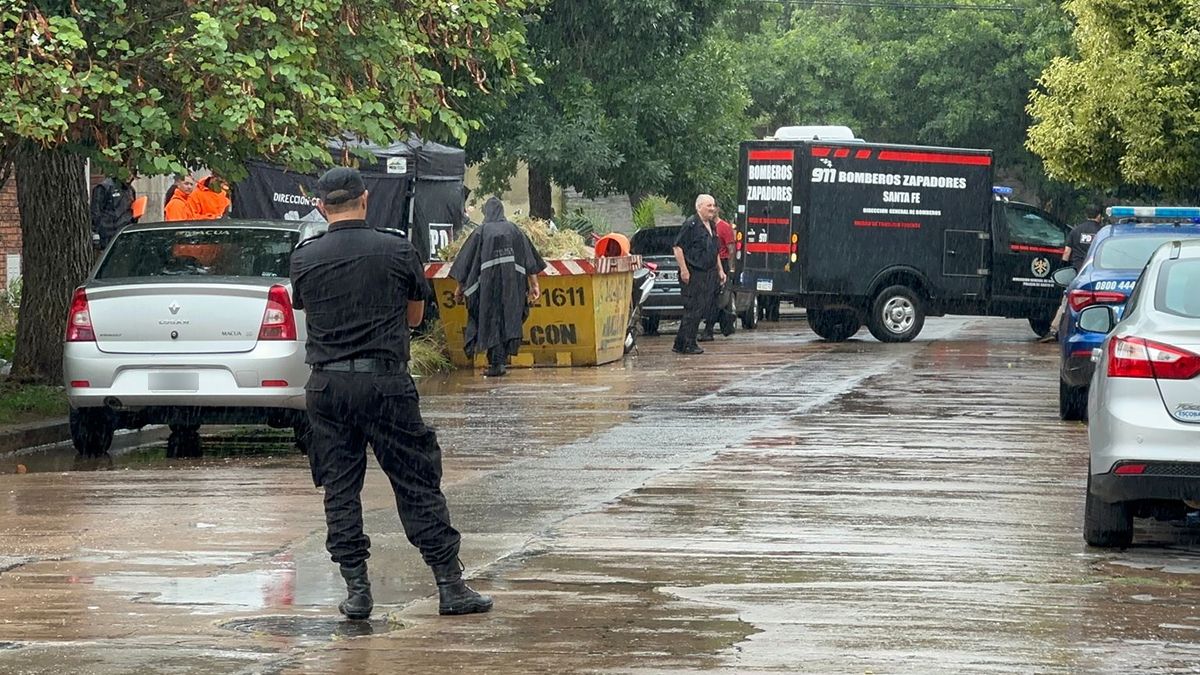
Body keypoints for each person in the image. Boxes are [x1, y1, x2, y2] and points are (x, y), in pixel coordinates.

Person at [289, 167, 492, 620]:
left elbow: (305, 306)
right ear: (365, 200)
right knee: (416, 481)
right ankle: (449, 585)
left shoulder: (305, 257)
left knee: (340, 488)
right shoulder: (398, 249)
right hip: (385, 382)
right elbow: (416, 318)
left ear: (322, 206)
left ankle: (357, 590)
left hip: (327, 384)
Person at [448, 197, 546, 377]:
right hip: (512, 287)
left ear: (487, 213)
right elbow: (529, 260)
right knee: (508, 320)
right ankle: (499, 362)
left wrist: (460, 288)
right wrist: (534, 285)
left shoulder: (481, 232)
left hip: (487, 288)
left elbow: (466, 262)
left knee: (490, 320)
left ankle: (496, 363)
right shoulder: (515, 231)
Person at [1040, 204, 1104, 343]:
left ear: (1086, 214)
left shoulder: (1076, 231)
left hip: (1078, 274)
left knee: (1067, 301)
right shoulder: (1102, 232)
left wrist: (1063, 268)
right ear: (1099, 216)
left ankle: (1054, 330)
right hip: (1098, 274)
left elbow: (1067, 252)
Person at [672, 194, 725, 354]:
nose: (712, 209)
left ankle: (679, 343)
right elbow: (677, 248)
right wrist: (684, 270)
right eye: (708, 206)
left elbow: (714, 250)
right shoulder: (691, 224)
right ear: (699, 207)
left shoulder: (712, 226)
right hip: (693, 273)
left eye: (713, 205)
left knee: (700, 308)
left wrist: (720, 270)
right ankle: (689, 343)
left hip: (708, 273)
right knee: (692, 309)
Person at [701, 208, 737, 341]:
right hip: (710, 264)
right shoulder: (707, 227)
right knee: (711, 298)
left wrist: (731, 267)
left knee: (716, 297)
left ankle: (710, 328)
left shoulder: (724, 227)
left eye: (713, 207)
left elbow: (731, 248)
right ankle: (725, 320)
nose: (711, 210)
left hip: (722, 262)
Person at [90, 177, 136, 249]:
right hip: (107, 235)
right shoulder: (104, 187)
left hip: (125, 234)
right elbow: (95, 213)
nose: (130, 176)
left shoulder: (130, 189)